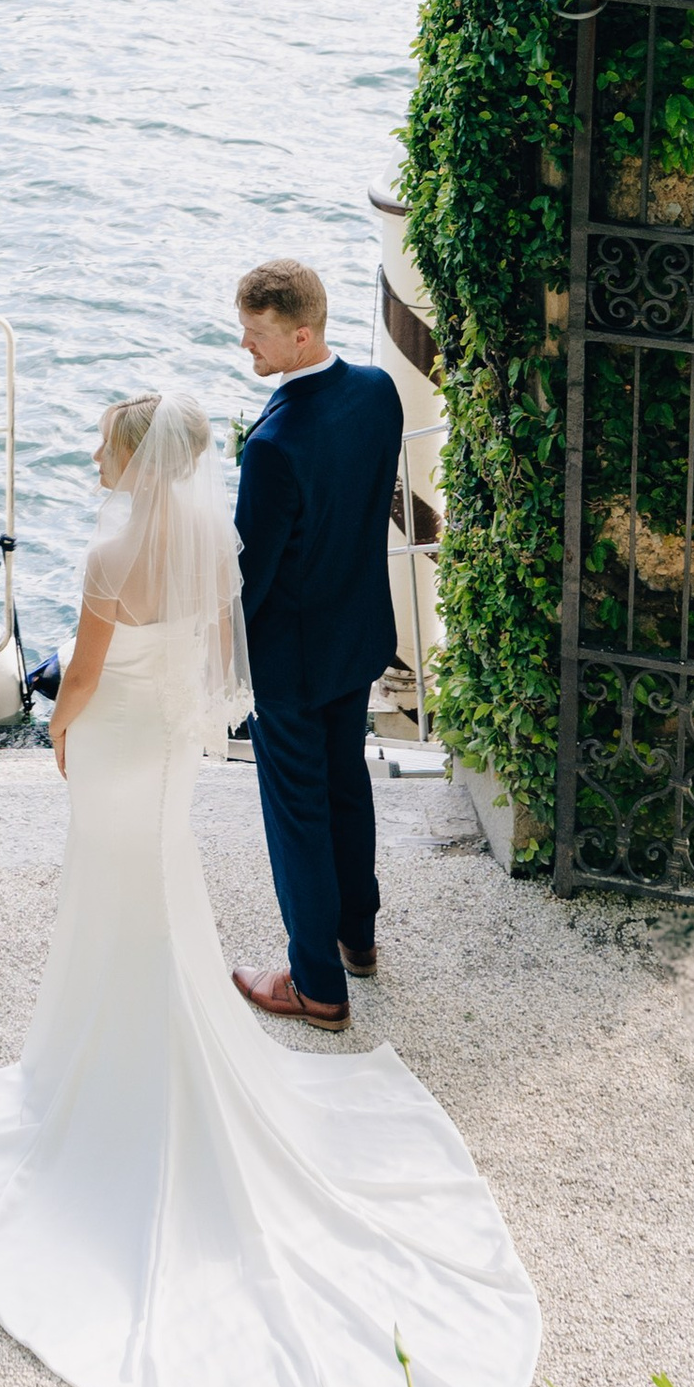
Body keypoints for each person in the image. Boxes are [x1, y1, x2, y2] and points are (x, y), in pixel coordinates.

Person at [0, 382, 539, 1387]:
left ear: (131, 457)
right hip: (165, 747)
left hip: (114, 736)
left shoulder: (111, 558)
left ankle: (96, 1066)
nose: (97, 452)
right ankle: (159, 1033)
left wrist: (60, 730)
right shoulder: (211, 538)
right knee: (161, 887)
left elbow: (81, 681)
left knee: (109, 893)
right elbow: (213, 668)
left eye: (105, 440)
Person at [230, 256, 402, 1030]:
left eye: (258, 335)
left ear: (302, 335)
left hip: (292, 662)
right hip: (357, 632)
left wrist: (221, 650)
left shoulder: (273, 446)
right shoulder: (378, 393)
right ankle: (356, 938)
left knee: (297, 810)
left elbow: (251, 575)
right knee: (345, 785)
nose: (246, 348)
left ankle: (316, 984)